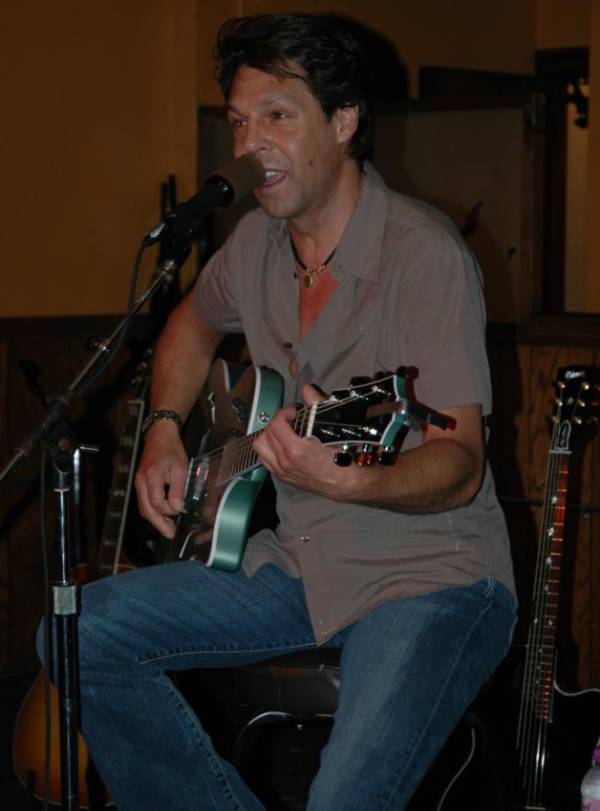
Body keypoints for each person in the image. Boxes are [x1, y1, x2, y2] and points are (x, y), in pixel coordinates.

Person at [39, 12, 516, 810]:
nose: (247, 142)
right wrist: (162, 430)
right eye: (237, 121)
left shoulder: (424, 256)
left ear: (345, 119)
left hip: (430, 578)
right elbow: (190, 321)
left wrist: (349, 480)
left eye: (276, 116)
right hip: (297, 561)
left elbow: (459, 464)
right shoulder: (256, 247)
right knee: (75, 630)